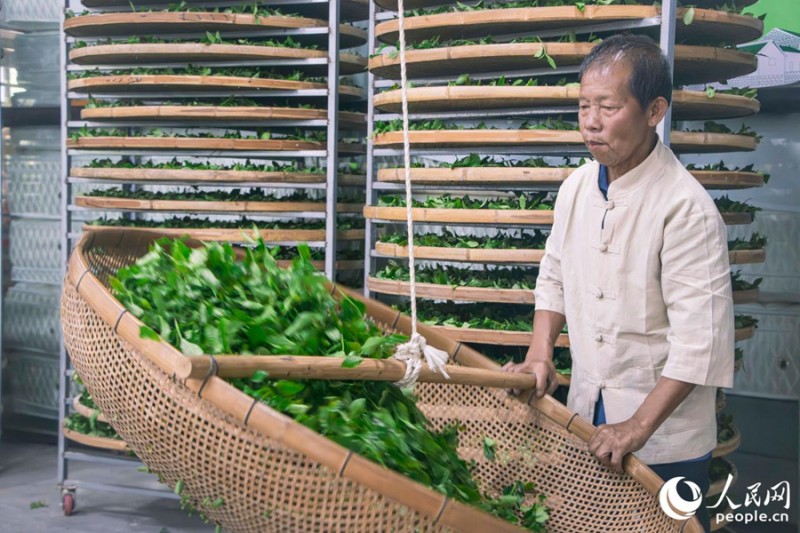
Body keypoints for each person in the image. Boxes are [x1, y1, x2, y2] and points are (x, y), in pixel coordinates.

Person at [502, 34, 734, 531]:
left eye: (607, 106)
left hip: (665, 439)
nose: (590, 121)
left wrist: (637, 427)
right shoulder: (576, 188)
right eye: (584, 105)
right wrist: (540, 352)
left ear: (654, 111)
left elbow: (700, 342)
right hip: (587, 415)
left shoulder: (686, 208)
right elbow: (555, 272)